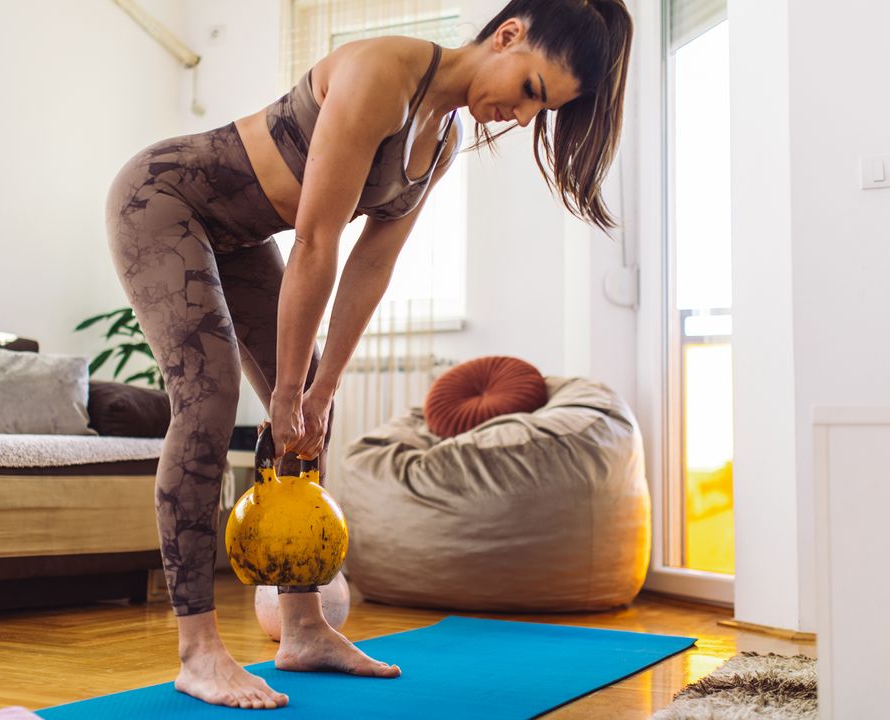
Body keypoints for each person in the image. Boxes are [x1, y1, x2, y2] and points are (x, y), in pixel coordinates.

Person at [104, 0, 632, 710]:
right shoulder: (384, 71)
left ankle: (302, 629)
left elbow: (370, 266)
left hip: (237, 236)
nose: (522, 115)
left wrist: (316, 390)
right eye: (533, 90)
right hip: (163, 200)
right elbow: (318, 241)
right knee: (209, 397)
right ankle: (198, 650)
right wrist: (288, 388)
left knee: (316, 405)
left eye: (542, 111)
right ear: (508, 35)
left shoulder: (442, 140)